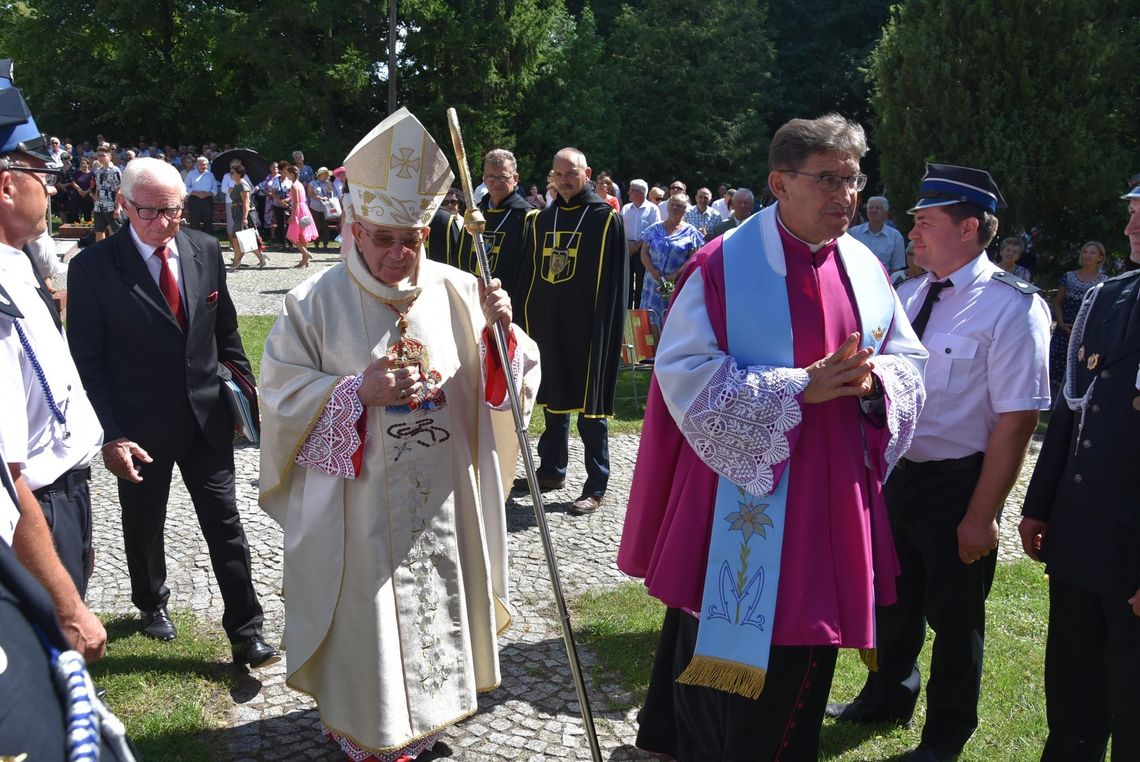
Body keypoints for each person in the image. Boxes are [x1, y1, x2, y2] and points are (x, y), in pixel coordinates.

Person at [618, 113, 927, 761]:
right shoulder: (723, 265)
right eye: (828, 180)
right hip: (740, 503)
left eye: (853, 179)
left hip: (826, 503)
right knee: (721, 677)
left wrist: (878, 385)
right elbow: (683, 373)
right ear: (779, 182)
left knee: (798, 670)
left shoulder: (866, 270)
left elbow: (907, 363)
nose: (845, 195)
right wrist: (797, 389)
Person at [258, 107, 539, 761]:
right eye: (382, 238)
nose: (397, 254)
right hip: (357, 513)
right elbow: (279, 400)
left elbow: (511, 384)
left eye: (411, 238)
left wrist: (503, 339)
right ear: (355, 227)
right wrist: (358, 392)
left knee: (438, 608)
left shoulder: (462, 289)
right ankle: (365, 728)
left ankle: (430, 723)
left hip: (443, 505)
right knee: (369, 620)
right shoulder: (313, 304)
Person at [828, 164, 1051, 762]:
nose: (913, 232)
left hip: (959, 483)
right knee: (894, 602)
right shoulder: (907, 293)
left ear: (969, 227)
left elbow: (1018, 418)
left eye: (925, 223)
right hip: (900, 476)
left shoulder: (1012, 308)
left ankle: (946, 734)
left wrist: (983, 514)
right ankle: (887, 693)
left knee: (956, 620)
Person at [66, 157, 279, 668]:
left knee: (227, 524)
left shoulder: (203, 249)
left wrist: (242, 393)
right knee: (143, 524)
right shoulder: (93, 268)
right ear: (123, 206)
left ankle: (246, 630)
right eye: (152, 212)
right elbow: (87, 365)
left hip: (206, 419)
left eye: (175, 211)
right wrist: (111, 436)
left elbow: (226, 331)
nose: (166, 222)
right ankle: (150, 601)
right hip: (139, 428)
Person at [1018, 182, 1140, 761]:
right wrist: (1040, 504)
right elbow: (1071, 411)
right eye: (1132, 214)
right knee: (1072, 681)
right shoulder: (1109, 298)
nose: (1129, 229)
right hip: (1084, 531)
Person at [0, 70, 108, 665]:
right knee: (51, 666)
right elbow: (2, 476)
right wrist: (67, 605)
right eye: (41, 176)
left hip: (67, 493)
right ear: (7, 188)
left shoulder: (17, 266)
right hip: (38, 510)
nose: (52, 189)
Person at [516, 147, 628, 516]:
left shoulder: (604, 219)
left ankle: (595, 485)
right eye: (559, 174)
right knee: (553, 400)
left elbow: (615, 282)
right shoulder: (542, 219)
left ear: (587, 173)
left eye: (572, 174)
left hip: (588, 327)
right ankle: (551, 471)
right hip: (551, 324)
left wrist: (605, 329)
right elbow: (532, 275)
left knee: (590, 411)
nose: (565, 181)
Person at [455, 148, 537, 300]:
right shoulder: (475, 214)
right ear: (484, 178)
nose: (496, 183)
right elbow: (461, 260)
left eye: (503, 177)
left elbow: (528, 273)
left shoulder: (527, 217)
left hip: (507, 301)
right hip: (472, 299)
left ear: (515, 178)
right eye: (491, 177)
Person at [1047, 240, 1107, 394]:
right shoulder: (1068, 277)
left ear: (1100, 257)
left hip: (1086, 332)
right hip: (1064, 329)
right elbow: (1058, 303)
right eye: (1085, 252)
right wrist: (1061, 323)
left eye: (1092, 252)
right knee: (1056, 364)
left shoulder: (1104, 282)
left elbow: (1102, 310)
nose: (1087, 255)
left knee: (1080, 366)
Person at [639, 192, 704, 326]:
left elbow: (693, 259)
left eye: (680, 206)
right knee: (648, 322)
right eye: (673, 205)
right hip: (652, 282)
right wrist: (653, 271)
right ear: (668, 207)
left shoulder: (691, 232)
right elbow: (644, 253)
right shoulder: (654, 228)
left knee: (671, 321)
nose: (675, 208)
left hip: (675, 284)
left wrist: (675, 275)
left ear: (686, 209)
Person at [621, 179, 662, 309]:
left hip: (643, 251)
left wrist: (637, 245)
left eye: (631, 190)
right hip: (627, 249)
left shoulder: (652, 209)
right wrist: (628, 245)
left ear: (640, 193)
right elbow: (620, 228)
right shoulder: (626, 208)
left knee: (640, 283)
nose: (628, 192)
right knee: (626, 283)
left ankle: (639, 314)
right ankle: (625, 313)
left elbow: (654, 231)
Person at [849, 195, 906, 272]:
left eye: (877, 208)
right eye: (871, 208)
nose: (873, 210)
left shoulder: (895, 237)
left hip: (884, 281)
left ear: (885, 213)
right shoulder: (854, 233)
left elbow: (897, 269)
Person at [226, 164, 267, 270]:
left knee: (240, 239)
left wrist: (244, 218)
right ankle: (260, 257)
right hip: (237, 213)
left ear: (239, 174)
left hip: (242, 214)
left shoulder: (243, 186)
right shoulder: (237, 184)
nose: (231, 175)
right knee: (240, 239)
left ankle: (237, 262)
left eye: (233, 173)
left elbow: (246, 203)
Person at [284, 163, 318, 267]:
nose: (287, 176)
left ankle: (305, 253)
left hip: (298, 211)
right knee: (302, 235)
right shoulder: (299, 184)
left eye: (288, 174)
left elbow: (296, 202)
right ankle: (305, 260)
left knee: (291, 235)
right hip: (304, 210)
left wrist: (293, 216)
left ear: (292, 174)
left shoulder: (294, 186)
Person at [92, 147, 122, 241]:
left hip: (111, 205)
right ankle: (100, 252)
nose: (100, 157)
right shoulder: (98, 170)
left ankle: (116, 251)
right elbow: (98, 187)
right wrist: (95, 203)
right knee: (99, 230)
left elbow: (119, 189)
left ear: (109, 156)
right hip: (99, 205)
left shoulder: (115, 170)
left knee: (116, 230)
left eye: (103, 155)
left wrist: (118, 207)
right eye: (98, 155)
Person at [184, 156, 217, 234]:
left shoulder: (210, 175)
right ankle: (194, 240)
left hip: (207, 199)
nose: (203, 166)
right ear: (197, 165)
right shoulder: (191, 174)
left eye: (205, 165)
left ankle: (208, 240)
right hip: (194, 199)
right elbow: (186, 186)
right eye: (201, 164)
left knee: (208, 221)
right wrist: (196, 193)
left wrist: (208, 194)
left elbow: (214, 188)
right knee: (194, 221)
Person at [307, 166, 334, 250]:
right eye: (324, 174)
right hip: (315, 207)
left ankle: (325, 244)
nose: (326, 175)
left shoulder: (328, 183)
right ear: (320, 175)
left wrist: (329, 183)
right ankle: (316, 244)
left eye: (327, 174)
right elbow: (310, 194)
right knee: (316, 226)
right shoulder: (313, 183)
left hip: (326, 208)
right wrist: (321, 198)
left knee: (326, 226)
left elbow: (331, 193)